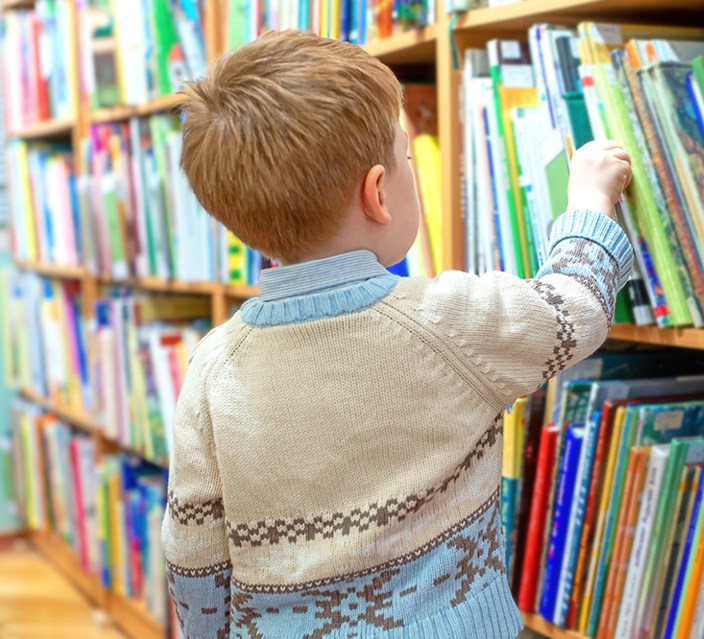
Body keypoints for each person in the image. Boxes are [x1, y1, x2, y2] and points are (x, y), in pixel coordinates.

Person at [161, 30, 633, 639]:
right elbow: (577, 307)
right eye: (409, 158)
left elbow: (193, 554)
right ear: (378, 192)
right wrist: (590, 201)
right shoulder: (446, 320)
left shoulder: (213, 366)